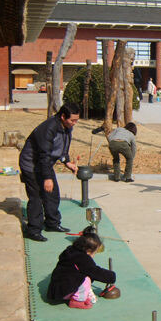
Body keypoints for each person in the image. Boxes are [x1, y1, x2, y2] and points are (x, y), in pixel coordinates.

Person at [19, 103, 80, 242]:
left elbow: (63, 148)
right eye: (72, 120)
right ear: (63, 116)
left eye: (77, 120)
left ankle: (52, 223)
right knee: (36, 196)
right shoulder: (48, 128)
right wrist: (47, 178)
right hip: (31, 164)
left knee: (53, 193)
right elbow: (44, 154)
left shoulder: (66, 128)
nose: (74, 123)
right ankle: (34, 230)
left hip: (44, 164)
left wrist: (67, 162)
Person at [47, 231, 116, 309]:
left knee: (82, 273)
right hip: (63, 292)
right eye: (95, 252)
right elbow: (95, 272)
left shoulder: (70, 250)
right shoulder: (83, 259)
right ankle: (77, 301)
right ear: (88, 251)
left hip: (55, 288)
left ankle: (79, 294)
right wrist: (111, 276)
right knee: (85, 280)